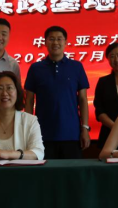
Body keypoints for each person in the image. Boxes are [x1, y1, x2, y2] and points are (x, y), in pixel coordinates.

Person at [25, 26, 91, 159]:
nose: (55, 42)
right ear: (45, 42)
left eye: (59, 39)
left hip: (72, 134)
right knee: (45, 171)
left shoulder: (76, 67)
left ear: (65, 42)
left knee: (73, 171)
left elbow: (83, 99)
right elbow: (29, 100)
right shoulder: (35, 68)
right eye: (51, 39)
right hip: (42, 135)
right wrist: (28, 129)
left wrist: (85, 128)